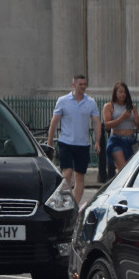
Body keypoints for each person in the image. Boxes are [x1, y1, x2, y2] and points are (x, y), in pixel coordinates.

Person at [46, 74, 101, 204]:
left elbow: (96, 123)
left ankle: (75, 205)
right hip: (66, 142)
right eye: (80, 84)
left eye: (84, 84)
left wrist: (97, 141)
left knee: (80, 175)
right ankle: (63, 200)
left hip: (83, 144)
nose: (83, 87)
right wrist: (50, 141)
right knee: (67, 173)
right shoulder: (63, 101)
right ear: (73, 85)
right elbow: (54, 122)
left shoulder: (91, 102)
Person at [101, 81, 139, 174]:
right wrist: (122, 117)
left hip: (130, 140)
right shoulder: (109, 106)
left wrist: (137, 121)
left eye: (124, 92)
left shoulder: (131, 106)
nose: (123, 94)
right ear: (115, 93)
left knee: (132, 169)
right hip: (117, 140)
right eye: (120, 92)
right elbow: (107, 124)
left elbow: (138, 126)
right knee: (123, 169)